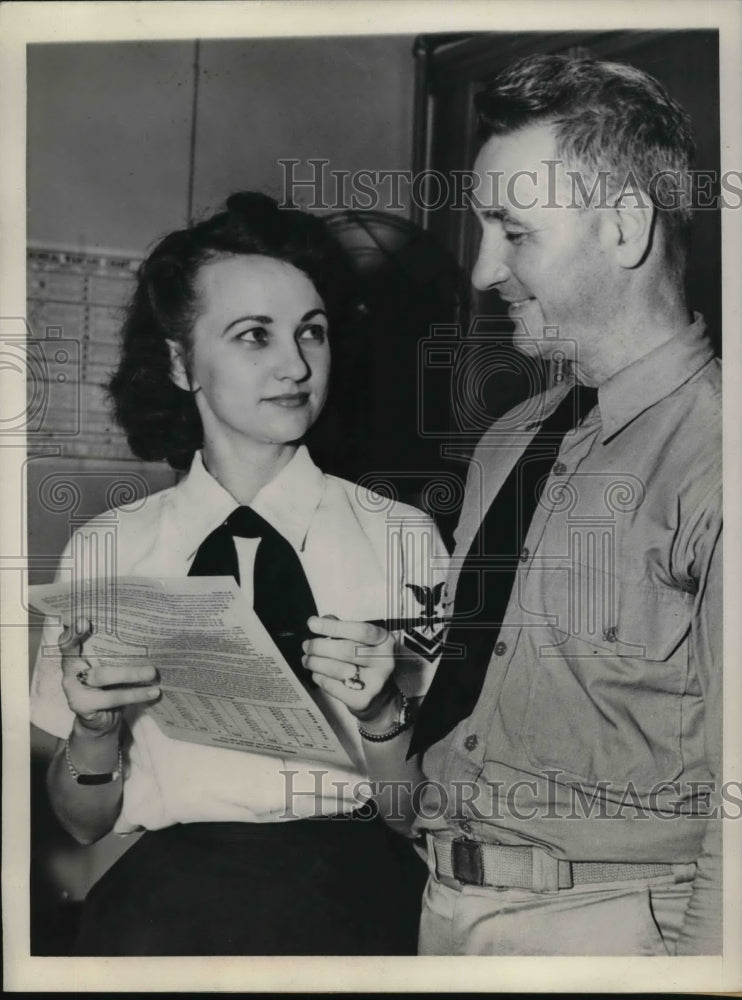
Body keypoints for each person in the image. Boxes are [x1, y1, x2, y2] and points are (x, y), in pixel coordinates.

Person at [304, 53, 722, 956]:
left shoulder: (716, 458)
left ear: (624, 227)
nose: (485, 270)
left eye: (514, 231)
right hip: (447, 910)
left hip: (612, 936)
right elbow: (428, 776)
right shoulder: (509, 444)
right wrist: (384, 713)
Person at [30, 192, 448, 956]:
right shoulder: (106, 551)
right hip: (164, 915)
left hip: (355, 909)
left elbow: (419, 813)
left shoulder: (404, 540)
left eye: (311, 333)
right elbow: (83, 820)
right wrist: (93, 728)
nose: (295, 365)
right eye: (254, 336)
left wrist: (385, 714)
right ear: (182, 361)